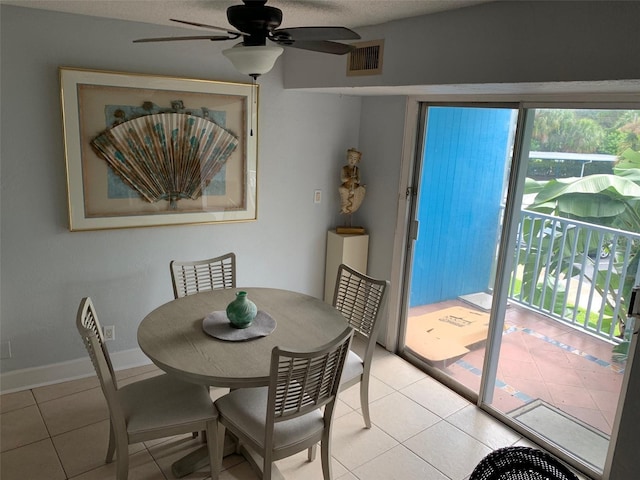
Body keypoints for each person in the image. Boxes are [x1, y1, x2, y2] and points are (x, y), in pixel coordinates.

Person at [339, 148, 366, 214]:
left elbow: (358, 180)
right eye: (350, 158)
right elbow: (342, 179)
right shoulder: (344, 168)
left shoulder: (357, 169)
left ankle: (351, 209)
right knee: (342, 190)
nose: (352, 160)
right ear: (347, 158)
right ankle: (344, 208)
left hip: (354, 187)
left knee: (356, 194)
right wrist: (348, 179)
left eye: (354, 159)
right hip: (346, 186)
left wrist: (355, 180)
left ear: (356, 160)